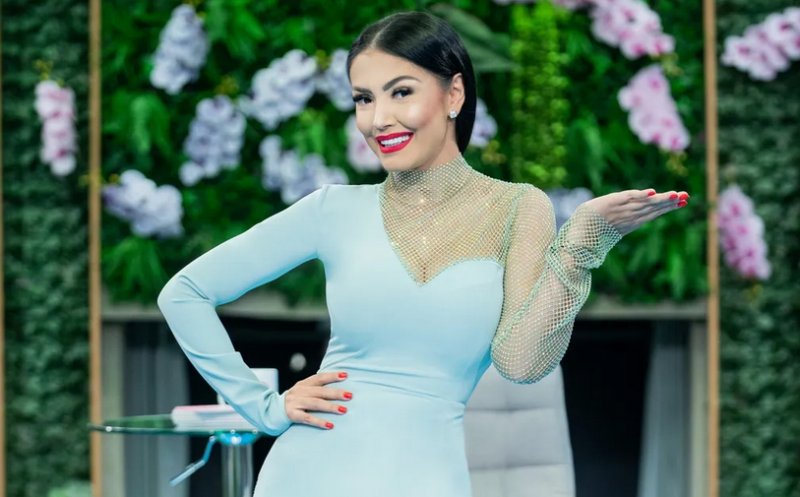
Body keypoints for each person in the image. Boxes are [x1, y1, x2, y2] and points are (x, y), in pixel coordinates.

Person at [157, 10, 691, 497]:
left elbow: (522, 363)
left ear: (454, 93)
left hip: (426, 477)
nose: (378, 119)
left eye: (401, 92)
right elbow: (184, 293)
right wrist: (264, 408)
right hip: (308, 473)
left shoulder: (517, 208)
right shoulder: (332, 210)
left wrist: (582, 242)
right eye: (364, 99)